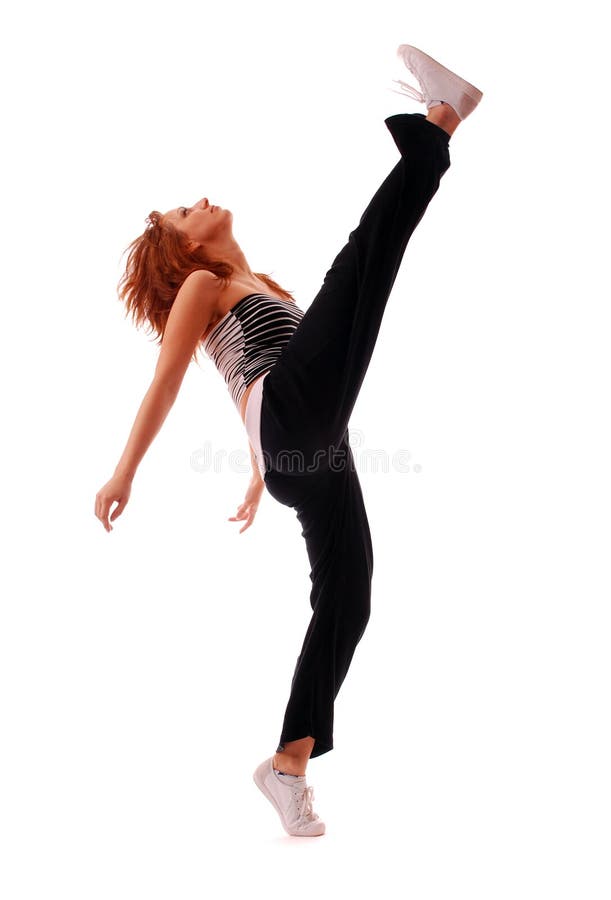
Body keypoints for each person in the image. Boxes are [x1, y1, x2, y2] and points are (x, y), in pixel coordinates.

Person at [94, 45, 483, 837]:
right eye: (182, 212)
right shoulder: (203, 287)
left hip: (303, 447)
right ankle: (437, 125)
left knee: (349, 598)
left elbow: (253, 382)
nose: (198, 201)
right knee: (361, 264)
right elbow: (168, 381)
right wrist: (124, 470)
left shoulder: (264, 287)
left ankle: (286, 768)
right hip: (293, 431)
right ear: (185, 251)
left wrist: (257, 471)